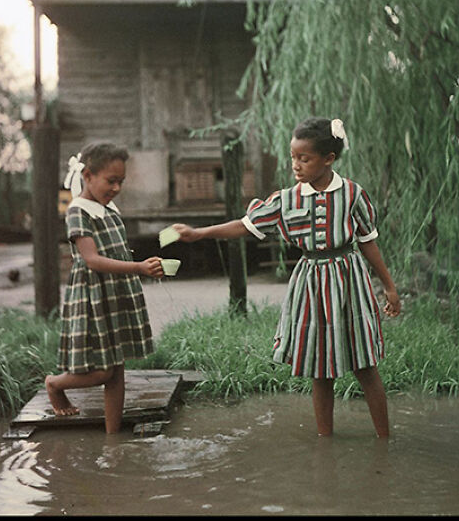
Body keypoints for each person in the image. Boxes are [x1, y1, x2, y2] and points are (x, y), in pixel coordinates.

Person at [171, 117, 401, 437]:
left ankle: (384, 438)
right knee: (321, 369)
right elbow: (245, 225)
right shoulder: (286, 199)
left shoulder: (352, 194)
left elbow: (368, 242)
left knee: (365, 365)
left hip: (349, 282)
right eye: (292, 157)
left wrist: (389, 286)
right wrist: (199, 233)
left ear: (328, 159)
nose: (296, 165)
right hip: (312, 285)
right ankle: (326, 441)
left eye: (304, 158)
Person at [45, 142, 164, 433]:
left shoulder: (109, 208)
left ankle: (113, 437)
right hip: (93, 295)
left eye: (121, 181)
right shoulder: (77, 210)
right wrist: (138, 268)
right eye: (111, 181)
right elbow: (92, 259)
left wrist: (146, 266)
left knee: (117, 368)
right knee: (102, 370)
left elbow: (118, 251)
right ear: (87, 175)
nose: (116, 188)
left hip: (117, 293)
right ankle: (55, 383)